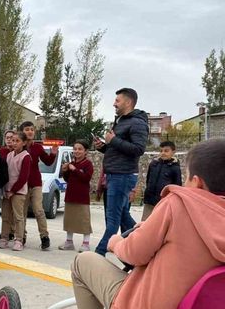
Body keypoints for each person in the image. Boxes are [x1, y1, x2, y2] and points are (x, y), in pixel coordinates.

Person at [71, 138, 225, 309]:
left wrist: (116, 243)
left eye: (187, 176)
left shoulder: (179, 203)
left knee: (82, 261)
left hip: (142, 304)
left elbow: (134, 253)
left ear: (197, 182)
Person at [93, 88, 149, 256]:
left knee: (112, 221)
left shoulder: (137, 123)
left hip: (122, 176)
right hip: (114, 175)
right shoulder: (121, 121)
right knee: (123, 217)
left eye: (117, 101)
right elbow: (118, 150)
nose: (114, 104)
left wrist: (113, 140)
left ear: (128, 102)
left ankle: (98, 254)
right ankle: (140, 249)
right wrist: (104, 147)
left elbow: (138, 149)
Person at [20, 121, 58, 250]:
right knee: (22, 212)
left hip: (36, 183)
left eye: (32, 129)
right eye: (27, 129)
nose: (30, 131)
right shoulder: (19, 147)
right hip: (21, 184)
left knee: (38, 210)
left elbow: (47, 162)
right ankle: (21, 236)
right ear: (22, 132)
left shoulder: (37, 147)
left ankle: (44, 237)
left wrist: (53, 153)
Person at [58, 140, 94, 252]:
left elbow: (86, 178)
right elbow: (67, 179)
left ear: (85, 151)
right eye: (75, 149)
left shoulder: (88, 164)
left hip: (82, 197)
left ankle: (86, 243)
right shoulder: (71, 163)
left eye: (80, 149)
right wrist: (65, 171)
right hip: (70, 195)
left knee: (84, 221)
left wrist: (75, 170)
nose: (77, 151)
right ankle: (69, 242)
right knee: (69, 220)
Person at [0, 131, 31, 251]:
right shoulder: (9, 155)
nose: (14, 143)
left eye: (17, 141)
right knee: (6, 216)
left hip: (18, 192)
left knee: (18, 217)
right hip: (7, 190)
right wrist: (6, 189)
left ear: (23, 143)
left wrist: (13, 190)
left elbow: (23, 177)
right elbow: (6, 173)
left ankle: (19, 240)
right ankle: (4, 238)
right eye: (13, 140)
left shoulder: (26, 157)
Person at [142, 141, 182, 221]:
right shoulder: (153, 164)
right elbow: (148, 180)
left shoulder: (175, 168)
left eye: (166, 151)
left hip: (164, 202)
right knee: (145, 223)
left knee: (159, 224)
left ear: (173, 152)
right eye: (161, 151)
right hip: (149, 201)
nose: (163, 153)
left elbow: (177, 186)